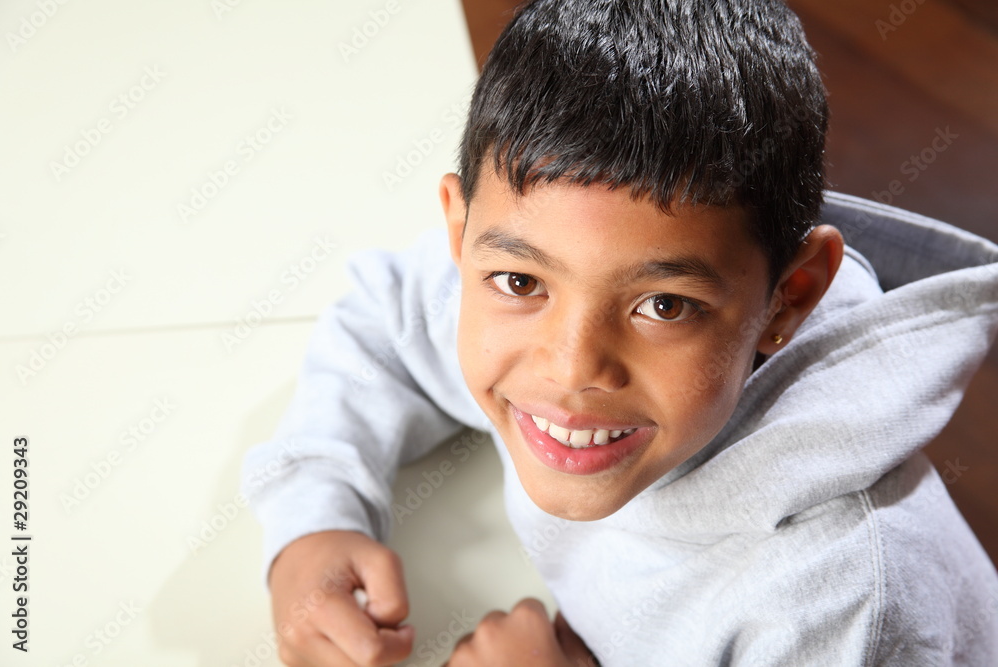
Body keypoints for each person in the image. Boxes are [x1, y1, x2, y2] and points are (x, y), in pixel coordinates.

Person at [242, 0, 998, 664]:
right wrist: (317, 519)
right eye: (519, 283)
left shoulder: (847, 613)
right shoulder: (519, 276)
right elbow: (386, 321)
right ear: (461, 230)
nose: (571, 366)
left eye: (665, 306)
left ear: (788, 298)